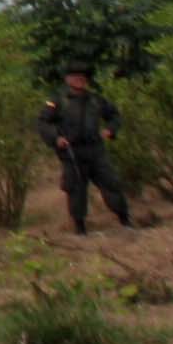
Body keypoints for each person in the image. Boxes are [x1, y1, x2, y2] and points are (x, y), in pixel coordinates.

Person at [33, 66, 132, 235]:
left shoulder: (96, 100)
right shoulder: (57, 101)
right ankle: (80, 228)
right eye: (75, 76)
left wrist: (110, 130)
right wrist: (56, 138)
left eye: (83, 76)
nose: (79, 79)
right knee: (76, 189)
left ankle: (125, 220)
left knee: (111, 183)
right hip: (72, 152)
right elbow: (43, 123)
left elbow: (115, 116)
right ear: (67, 79)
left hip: (95, 149)